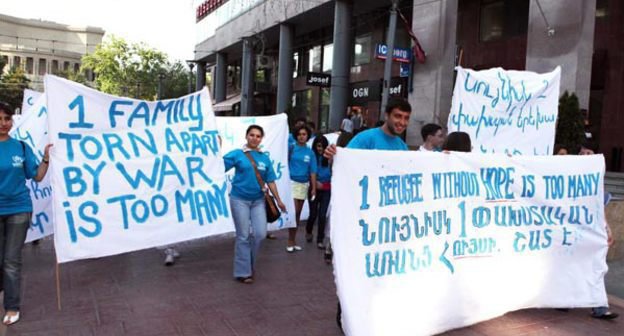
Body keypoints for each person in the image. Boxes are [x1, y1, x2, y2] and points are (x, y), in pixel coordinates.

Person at [324, 99, 412, 331]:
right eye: (398, 116)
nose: (402, 122)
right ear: (387, 115)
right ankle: (347, 316)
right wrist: (333, 154)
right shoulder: (366, 138)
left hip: (385, 224)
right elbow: (342, 162)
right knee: (356, 270)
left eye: (405, 118)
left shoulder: (402, 148)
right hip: (360, 220)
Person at [0, 101, 52, 325]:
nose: (3, 123)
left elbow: (37, 176)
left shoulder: (21, 147)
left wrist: (46, 157)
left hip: (19, 210)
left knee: (11, 260)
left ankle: (12, 306)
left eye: (7, 118)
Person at [223, 125, 287, 283]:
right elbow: (218, 166)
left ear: (261, 139)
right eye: (252, 135)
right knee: (243, 235)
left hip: (258, 201)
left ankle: (247, 264)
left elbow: (270, 180)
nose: (254, 138)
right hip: (239, 200)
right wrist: (215, 149)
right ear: (246, 136)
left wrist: (279, 200)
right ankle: (243, 272)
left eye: (258, 136)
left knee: (260, 234)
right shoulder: (238, 154)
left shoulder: (264, 158)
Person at [287, 125, 317, 253]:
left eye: (304, 134)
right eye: (299, 134)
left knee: (298, 214)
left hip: (304, 184)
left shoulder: (310, 152)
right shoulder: (291, 148)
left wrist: (314, 188)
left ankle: (293, 240)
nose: (301, 136)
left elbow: (313, 171)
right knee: (295, 212)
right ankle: (289, 240)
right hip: (292, 183)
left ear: (308, 136)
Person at [305, 135, 331, 249]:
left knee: (322, 215)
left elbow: (335, 175)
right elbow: (308, 174)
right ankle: (309, 231)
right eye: (318, 146)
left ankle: (320, 239)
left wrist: (324, 185)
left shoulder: (330, 159)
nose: (320, 148)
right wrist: (314, 185)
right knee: (313, 214)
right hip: (313, 190)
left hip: (326, 190)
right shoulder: (311, 157)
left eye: (322, 146)